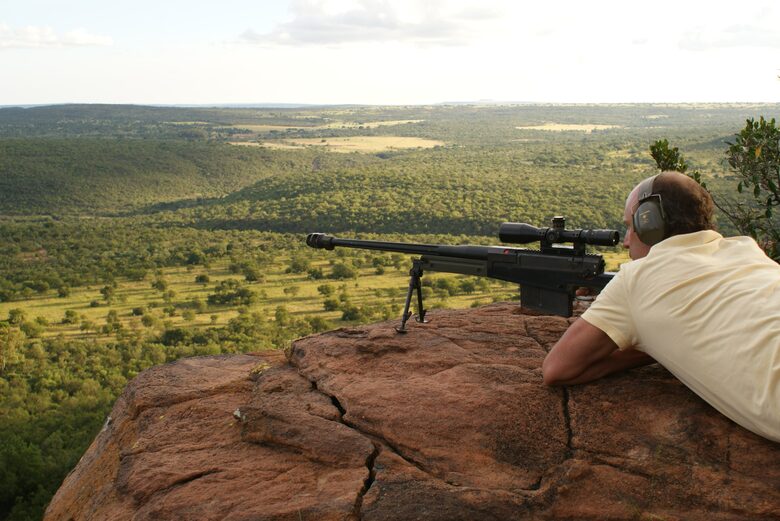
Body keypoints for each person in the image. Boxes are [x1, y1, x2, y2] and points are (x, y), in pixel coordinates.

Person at [542, 171, 780, 442]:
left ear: (650, 223)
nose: (627, 240)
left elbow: (557, 369)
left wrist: (651, 347)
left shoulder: (636, 278)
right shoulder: (746, 250)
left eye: (631, 227)